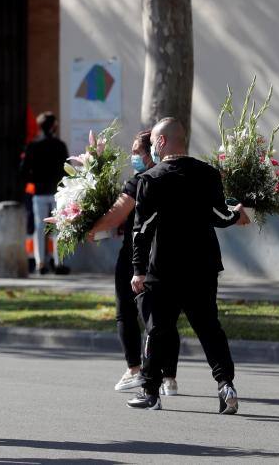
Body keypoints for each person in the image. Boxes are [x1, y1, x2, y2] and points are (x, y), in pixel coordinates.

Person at [126, 118, 250, 413]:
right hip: (203, 266)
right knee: (209, 328)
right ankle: (226, 385)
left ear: (160, 142)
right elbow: (219, 215)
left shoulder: (151, 179)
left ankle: (150, 392)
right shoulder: (207, 173)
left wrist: (138, 269)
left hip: (164, 268)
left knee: (158, 330)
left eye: (154, 142)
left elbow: (141, 230)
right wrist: (237, 213)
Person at [88, 130, 180, 394]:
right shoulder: (173, 178)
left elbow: (116, 216)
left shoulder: (140, 182)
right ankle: (169, 378)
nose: (134, 157)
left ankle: (135, 370)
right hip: (168, 256)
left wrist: (87, 226)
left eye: (137, 152)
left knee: (127, 312)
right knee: (165, 318)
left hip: (136, 257)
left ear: (149, 151)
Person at [21, 111, 70, 275]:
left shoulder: (33, 146)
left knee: (39, 227)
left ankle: (40, 263)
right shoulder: (60, 145)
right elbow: (67, 169)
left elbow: (23, 170)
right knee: (58, 226)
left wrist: (33, 180)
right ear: (54, 126)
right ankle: (58, 262)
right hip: (57, 192)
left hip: (39, 192)